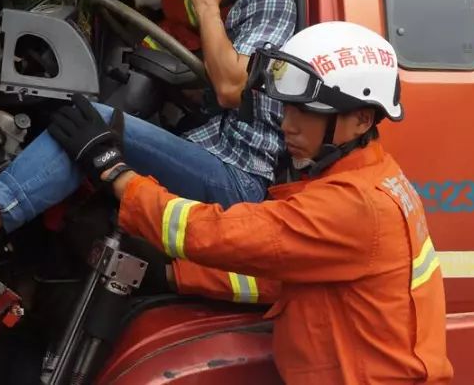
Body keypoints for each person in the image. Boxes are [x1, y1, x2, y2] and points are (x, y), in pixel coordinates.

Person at [51, 21, 453, 384]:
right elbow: (277, 273)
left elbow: (220, 233)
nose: (286, 123)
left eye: (306, 112)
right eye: (287, 108)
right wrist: (176, 275)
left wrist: (115, 173)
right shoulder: (369, 178)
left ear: (362, 120)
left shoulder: (356, 205)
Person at [0, 0, 297, 276]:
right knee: (85, 134)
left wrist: (205, 5)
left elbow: (232, 87)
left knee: (91, 126)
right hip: (218, 155)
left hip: (238, 178)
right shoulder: (246, 5)